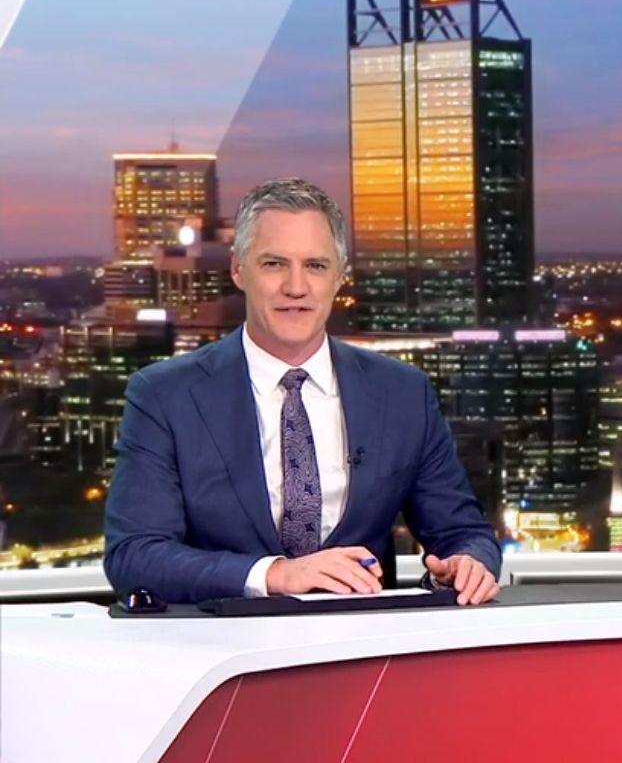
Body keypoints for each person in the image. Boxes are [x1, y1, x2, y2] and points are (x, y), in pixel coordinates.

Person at [104, 177, 501, 605]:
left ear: (339, 276)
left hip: (363, 641)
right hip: (220, 638)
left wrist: (467, 563)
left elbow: (463, 533)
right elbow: (134, 555)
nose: (296, 287)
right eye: (274, 264)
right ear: (238, 269)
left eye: (315, 265)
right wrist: (274, 575)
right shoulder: (165, 395)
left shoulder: (403, 393)